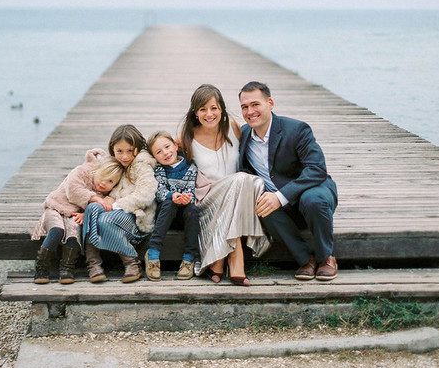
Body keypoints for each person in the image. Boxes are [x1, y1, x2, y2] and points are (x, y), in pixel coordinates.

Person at [238, 81, 339, 281]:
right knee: (261, 205)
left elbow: (317, 169)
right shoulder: (242, 135)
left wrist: (281, 196)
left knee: (313, 199)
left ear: (270, 103)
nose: (250, 111)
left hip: (311, 192)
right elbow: (211, 135)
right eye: (244, 107)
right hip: (280, 206)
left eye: (255, 104)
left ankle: (326, 257)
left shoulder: (296, 129)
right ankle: (306, 259)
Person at [180, 84, 270, 286]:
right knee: (241, 179)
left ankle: (218, 259)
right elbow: (158, 152)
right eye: (203, 109)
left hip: (237, 198)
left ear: (221, 109)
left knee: (254, 182)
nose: (209, 114)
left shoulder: (234, 128)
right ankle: (235, 259)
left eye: (213, 108)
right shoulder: (187, 137)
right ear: (195, 113)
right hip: (208, 200)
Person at [30, 149, 123, 285]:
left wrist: (85, 214)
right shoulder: (82, 172)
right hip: (56, 207)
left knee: (74, 235)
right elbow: (73, 191)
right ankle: (42, 267)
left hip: (72, 216)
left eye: (110, 181)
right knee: (57, 230)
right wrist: (95, 198)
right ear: (97, 170)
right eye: (103, 176)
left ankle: (67, 269)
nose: (104, 183)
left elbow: (102, 209)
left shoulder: (104, 194)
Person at [83, 124, 157, 283]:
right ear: (112, 149)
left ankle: (132, 262)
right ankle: (93, 265)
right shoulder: (116, 165)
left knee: (104, 220)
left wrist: (116, 204)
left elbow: (146, 195)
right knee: (93, 207)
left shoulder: (142, 165)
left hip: (136, 217)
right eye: (120, 151)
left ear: (137, 148)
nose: (125, 156)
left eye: (130, 151)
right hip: (117, 213)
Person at [144, 131, 199, 281]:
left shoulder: (190, 168)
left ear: (175, 146)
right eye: (159, 152)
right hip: (165, 215)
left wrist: (187, 198)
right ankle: (153, 253)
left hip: (184, 216)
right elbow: (159, 191)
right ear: (154, 157)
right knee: (169, 203)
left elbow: (192, 190)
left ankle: (188, 258)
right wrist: (172, 196)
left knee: (193, 209)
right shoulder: (160, 170)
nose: (166, 153)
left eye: (167, 147)